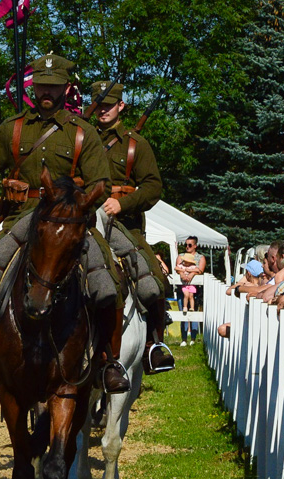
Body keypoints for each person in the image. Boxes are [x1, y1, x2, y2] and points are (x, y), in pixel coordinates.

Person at [0, 54, 128, 395]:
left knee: (107, 282)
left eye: (53, 85)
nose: (46, 91)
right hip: (23, 218)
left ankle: (109, 361)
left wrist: (71, 197)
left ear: (66, 87)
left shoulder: (84, 133)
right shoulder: (13, 128)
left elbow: (103, 184)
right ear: (33, 86)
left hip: (70, 222)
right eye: (41, 84)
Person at [90, 79, 175, 374]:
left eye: (109, 105)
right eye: (99, 104)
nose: (103, 110)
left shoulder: (135, 144)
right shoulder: (82, 138)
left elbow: (153, 187)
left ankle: (154, 346)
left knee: (153, 283)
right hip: (84, 224)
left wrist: (122, 204)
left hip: (124, 227)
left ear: (120, 106)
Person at [174, 236, 205, 345]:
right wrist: (182, 274)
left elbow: (200, 270)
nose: (187, 247)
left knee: (194, 311)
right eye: (186, 244)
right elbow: (177, 269)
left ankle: (193, 338)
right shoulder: (181, 256)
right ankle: (183, 338)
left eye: (190, 245)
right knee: (183, 310)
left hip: (194, 289)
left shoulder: (200, 257)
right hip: (182, 288)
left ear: (195, 246)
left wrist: (192, 273)